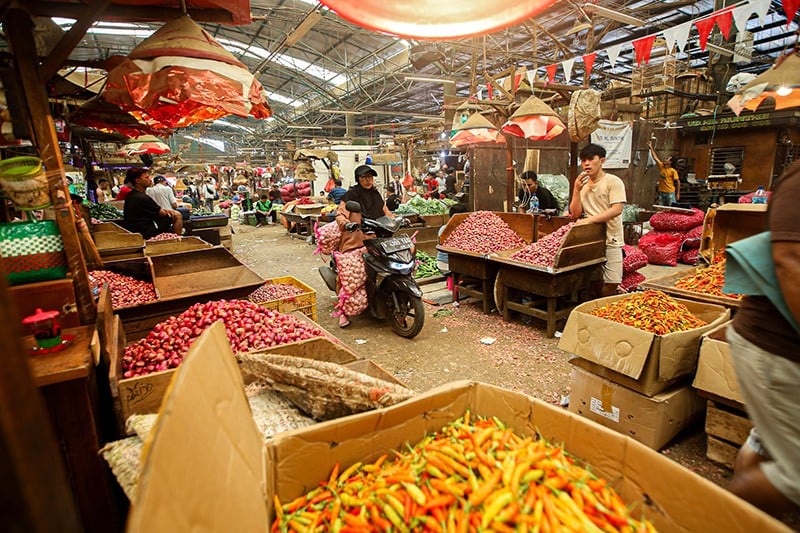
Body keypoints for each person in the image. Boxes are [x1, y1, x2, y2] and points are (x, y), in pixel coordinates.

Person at [725, 160, 800, 516]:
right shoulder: (798, 182)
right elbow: (790, 259)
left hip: (780, 349)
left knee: (770, 445)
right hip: (777, 344)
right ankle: (712, 518)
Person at [334, 164, 393, 328]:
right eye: (364, 177)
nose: (368, 180)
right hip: (354, 240)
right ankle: (343, 312)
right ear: (358, 179)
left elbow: (386, 212)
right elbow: (340, 214)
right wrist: (347, 224)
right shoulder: (350, 196)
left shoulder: (376, 195)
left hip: (375, 238)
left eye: (370, 177)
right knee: (348, 275)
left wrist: (396, 220)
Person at [568, 143, 626, 297]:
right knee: (591, 280)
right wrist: (576, 190)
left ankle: (601, 305)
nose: (586, 164)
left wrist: (589, 220)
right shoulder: (584, 185)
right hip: (590, 239)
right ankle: (592, 306)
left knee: (613, 281)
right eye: (583, 160)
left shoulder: (613, 181)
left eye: (590, 159)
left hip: (611, 237)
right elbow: (574, 213)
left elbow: (616, 209)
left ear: (601, 161)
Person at [122, 168, 183, 238]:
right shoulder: (141, 197)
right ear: (138, 180)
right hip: (144, 231)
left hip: (135, 228)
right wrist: (169, 211)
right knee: (177, 215)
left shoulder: (131, 195)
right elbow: (162, 213)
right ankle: (177, 239)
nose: (150, 180)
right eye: (146, 178)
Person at [647, 141, 680, 206]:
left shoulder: (672, 171)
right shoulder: (662, 166)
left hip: (670, 192)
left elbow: (678, 182)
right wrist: (651, 147)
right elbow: (655, 157)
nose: (665, 160)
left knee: (671, 208)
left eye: (668, 159)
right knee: (661, 208)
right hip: (662, 192)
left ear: (670, 162)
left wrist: (678, 193)